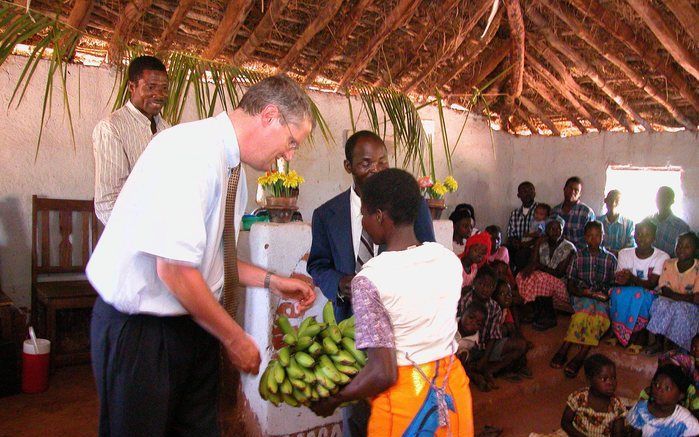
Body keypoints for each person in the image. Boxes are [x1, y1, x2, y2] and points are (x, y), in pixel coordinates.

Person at [86, 75, 317, 436]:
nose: (289, 155)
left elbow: (210, 259)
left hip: (191, 326)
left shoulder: (232, 167)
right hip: (143, 333)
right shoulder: (188, 151)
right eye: (291, 142)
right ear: (269, 115)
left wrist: (274, 282)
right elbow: (175, 271)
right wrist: (235, 338)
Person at [309, 169, 473, 436]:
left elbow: (383, 372)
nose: (362, 222)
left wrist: (336, 398)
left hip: (408, 406)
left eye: (363, 214)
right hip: (453, 391)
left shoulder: (370, 279)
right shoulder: (448, 261)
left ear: (379, 216)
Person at [307, 131, 434, 437]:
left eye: (382, 161)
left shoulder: (411, 207)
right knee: (360, 418)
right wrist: (340, 283)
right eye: (366, 163)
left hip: (404, 336)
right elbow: (318, 265)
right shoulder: (327, 215)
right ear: (348, 166)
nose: (377, 170)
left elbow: (426, 255)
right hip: (349, 332)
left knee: (403, 416)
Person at [93, 55, 170, 225]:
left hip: (164, 234)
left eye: (164, 88)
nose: (158, 95)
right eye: (150, 87)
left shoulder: (167, 131)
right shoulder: (112, 128)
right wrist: (141, 237)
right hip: (129, 238)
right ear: (132, 87)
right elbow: (107, 203)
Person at [550, 221, 617, 378]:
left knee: (598, 312)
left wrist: (604, 294)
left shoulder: (610, 259)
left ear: (603, 236)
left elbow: (613, 285)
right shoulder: (578, 256)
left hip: (602, 299)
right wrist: (589, 294)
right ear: (585, 238)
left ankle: (580, 354)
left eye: (597, 235)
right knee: (585, 309)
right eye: (590, 236)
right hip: (581, 296)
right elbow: (571, 285)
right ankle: (566, 346)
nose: (594, 239)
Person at [460, 266, 527, 392]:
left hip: (485, 347)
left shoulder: (495, 307)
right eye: (481, 284)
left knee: (520, 345)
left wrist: (485, 359)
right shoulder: (465, 301)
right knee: (457, 357)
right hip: (466, 346)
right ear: (474, 282)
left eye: (490, 286)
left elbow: (493, 337)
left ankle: (489, 370)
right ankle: (474, 375)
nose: (485, 289)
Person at [608, 219, 669, 352]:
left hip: (651, 294)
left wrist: (631, 278)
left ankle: (639, 335)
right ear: (634, 235)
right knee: (616, 292)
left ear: (654, 238)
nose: (642, 238)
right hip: (628, 290)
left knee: (641, 295)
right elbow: (620, 280)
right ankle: (619, 332)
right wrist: (627, 280)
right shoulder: (625, 253)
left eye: (647, 235)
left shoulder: (662, 257)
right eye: (639, 234)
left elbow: (652, 285)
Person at [517, 216, 577, 330]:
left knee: (541, 278)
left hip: (562, 285)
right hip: (543, 281)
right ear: (546, 230)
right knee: (523, 275)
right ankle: (536, 311)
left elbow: (559, 273)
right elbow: (532, 264)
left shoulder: (569, 248)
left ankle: (549, 317)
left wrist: (539, 266)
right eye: (551, 228)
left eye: (558, 228)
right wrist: (538, 243)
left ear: (562, 230)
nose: (555, 231)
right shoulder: (543, 244)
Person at [646, 232, 699, 353]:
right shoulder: (669, 264)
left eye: (687, 246)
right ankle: (658, 342)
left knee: (679, 308)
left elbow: (696, 298)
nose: (681, 249)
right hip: (670, 301)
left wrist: (674, 296)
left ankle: (675, 346)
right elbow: (664, 290)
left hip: (691, 307)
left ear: (695, 250)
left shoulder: (697, 269)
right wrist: (685, 297)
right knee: (660, 304)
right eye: (679, 245)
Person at [561, 354, 626, 437]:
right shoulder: (579, 397)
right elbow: (565, 422)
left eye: (613, 378)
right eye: (604, 379)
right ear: (589, 379)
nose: (610, 383)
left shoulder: (617, 407)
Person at [625, 364, 699, 436]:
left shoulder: (687, 422)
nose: (659, 390)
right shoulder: (640, 409)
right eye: (657, 384)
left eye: (667, 388)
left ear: (680, 395)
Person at [552, 176, 596, 249]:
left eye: (576, 190)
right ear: (564, 189)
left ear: (580, 194)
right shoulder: (555, 211)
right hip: (558, 254)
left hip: (579, 254)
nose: (572, 192)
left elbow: (590, 239)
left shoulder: (586, 213)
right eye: (570, 188)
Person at [649, 186, 691, 258]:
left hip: (670, 266)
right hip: (647, 266)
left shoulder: (681, 227)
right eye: (659, 197)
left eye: (666, 197)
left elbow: (684, 255)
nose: (661, 200)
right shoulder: (647, 222)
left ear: (672, 201)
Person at [506, 181, 538, 271]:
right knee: (505, 250)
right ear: (518, 195)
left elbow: (543, 233)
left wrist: (526, 244)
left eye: (530, 191)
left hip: (534, 247)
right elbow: (510, 234)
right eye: (524, 191)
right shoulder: (515, 213)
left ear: (534, 193)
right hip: (518, 245)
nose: (527, 194)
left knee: (522, 254)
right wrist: (515, 242)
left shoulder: (540, 211)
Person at [600, 190, 635, 256]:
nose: (613, 203)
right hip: (601, 259)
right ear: (605, 200)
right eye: (610, 200)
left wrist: (618, 253)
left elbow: (631, 245)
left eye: (617, 201)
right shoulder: (598, 221)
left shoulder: (628, 224)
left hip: (621, 259)